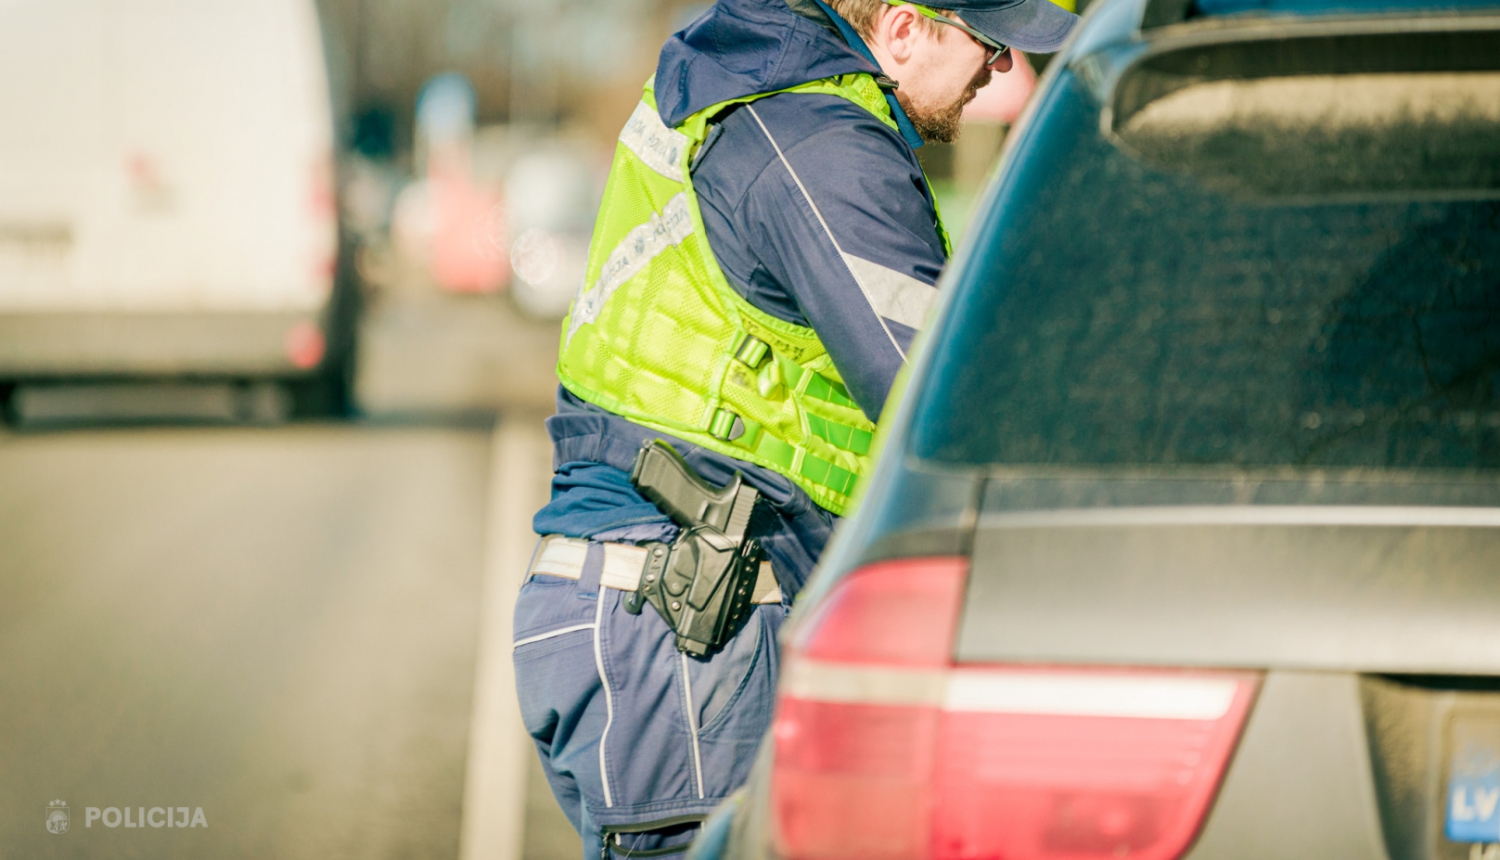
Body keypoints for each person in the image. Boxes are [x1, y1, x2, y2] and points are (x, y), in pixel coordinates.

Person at [512, 0, 1076, 854]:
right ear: (902, 28)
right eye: (991, 45)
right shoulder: (818, 143)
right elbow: (953, 402)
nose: (1002, 70)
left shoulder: (748, 88)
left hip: (644, 615)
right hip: (688, 639)